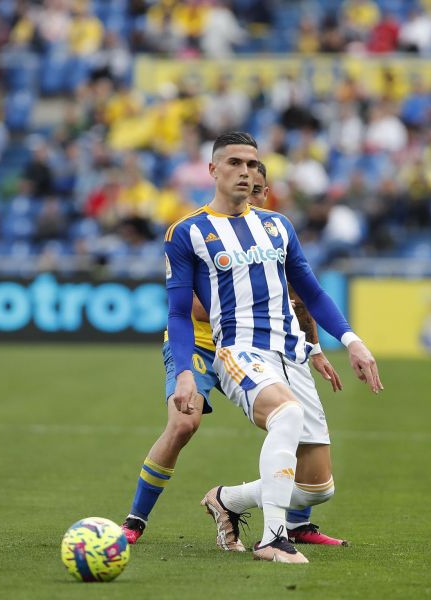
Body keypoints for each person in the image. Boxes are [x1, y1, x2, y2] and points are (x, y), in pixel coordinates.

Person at [165, 132, 382, 564]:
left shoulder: (277, 225)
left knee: (318, 488)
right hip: (239, 351)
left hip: (291, 355)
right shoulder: (189, 232)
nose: (244, 172)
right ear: (212, 170)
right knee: (286, 413)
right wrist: (186, 371)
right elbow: (176, 312)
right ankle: (273, 538)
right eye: (233, 163)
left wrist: (352, 342)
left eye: (251, 163)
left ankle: (227, 500)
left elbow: (313, 293)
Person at [121, 162, 348, 547]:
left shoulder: (271, 232)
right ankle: (135, 520)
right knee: (183, 424)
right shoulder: (200, 234)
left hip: (259, 344)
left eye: (261, 191)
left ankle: (295, 524)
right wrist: (252, 295)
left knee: (292, 417)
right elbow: (191, 308)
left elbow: (299, 299)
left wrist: (313, 348)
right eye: (251, 189)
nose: (255, 198)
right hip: (201, 344)